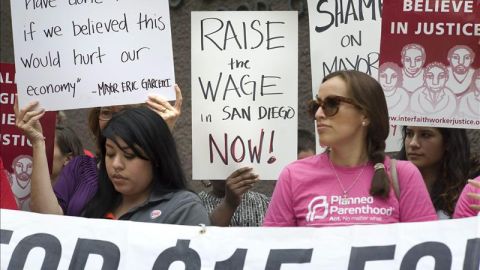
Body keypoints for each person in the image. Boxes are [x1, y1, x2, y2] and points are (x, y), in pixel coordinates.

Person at [263, 70, 437, 227]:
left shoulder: (403, 175)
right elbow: (271, 249)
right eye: (316, 106)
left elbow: (426, 250)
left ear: (365, 114)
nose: (318, 115)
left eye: (331, 104)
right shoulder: (293, 176)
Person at [14, 85, 182, 216]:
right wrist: (37, 142)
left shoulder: (180, 203)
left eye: (129, 156)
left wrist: (159, 134)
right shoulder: (80, 167)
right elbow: (46, 217)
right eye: (106, 112)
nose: (115, 121)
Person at [82, 107, 210, 224]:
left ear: (156, 157)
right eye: (110, 154)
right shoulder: (96, 206)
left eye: (129, 155)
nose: (116, 164)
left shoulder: (183, 209)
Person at [398, 127, 478, 219]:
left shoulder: (471, 191)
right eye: (409, 134)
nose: (413, 143)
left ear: (448, 142)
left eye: (425, 135)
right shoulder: (388, 183)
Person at [199, 167, 268, 226]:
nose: (226, 174)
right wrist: (229, 203)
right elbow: (204, 236)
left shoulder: (265, 203)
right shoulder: (196, 205)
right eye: (217, 165)